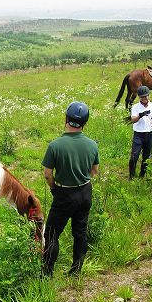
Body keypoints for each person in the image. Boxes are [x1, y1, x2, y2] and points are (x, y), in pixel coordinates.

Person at [41, 101, 100, 277]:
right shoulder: (92, 145)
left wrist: (54, 189)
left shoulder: (55, 146)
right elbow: (94, 171)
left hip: (64, 195)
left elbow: (47, 174)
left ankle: (47, 273)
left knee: (51, 233)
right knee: (80, 232)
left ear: (66, 118)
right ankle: (76, 271)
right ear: (85, 122)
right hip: (85, 192)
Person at [129, 86, 152, 179]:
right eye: (142, 97)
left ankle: (142, 175)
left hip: (149, 134)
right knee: (134, 156)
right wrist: (140, 115)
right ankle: (132, 176)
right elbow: (133, 120)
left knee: (146, 157)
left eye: (146, 96)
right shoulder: (135, 107)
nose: (144, 98)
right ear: (139, 97)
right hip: (138, 135)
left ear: (148, 95)